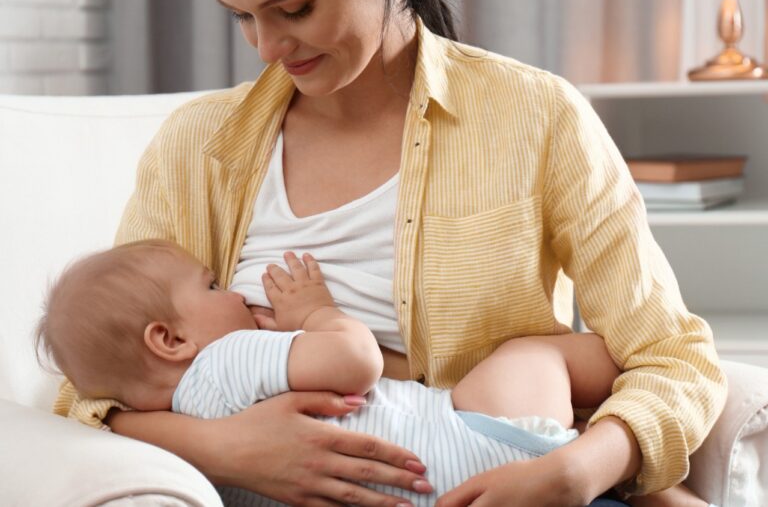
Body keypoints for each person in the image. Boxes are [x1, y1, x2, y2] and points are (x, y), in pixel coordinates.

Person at [53, 0, 727, 505]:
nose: (266, 47)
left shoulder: (534, 117)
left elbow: (672, 356)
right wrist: (224, 447)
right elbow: (92, 389)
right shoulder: (198, 147)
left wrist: (582, 466)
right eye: (243, 16)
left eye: (295, 7)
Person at [37, 240, 709, 507]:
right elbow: (353, 362)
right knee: (540, 353)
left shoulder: (174, 419)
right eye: (211, 283)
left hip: (429, 487)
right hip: (470, 436)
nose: (234, 293)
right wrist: (316, 313)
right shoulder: (223, 361)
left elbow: (82, 397)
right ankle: (610, 410)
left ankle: (608, 455)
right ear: (170, 338)